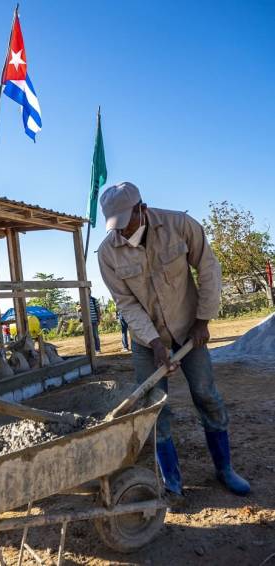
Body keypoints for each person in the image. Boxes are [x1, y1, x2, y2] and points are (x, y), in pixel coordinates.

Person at [98, 181, 250, 497]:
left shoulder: (179, 225)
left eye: (127, 223)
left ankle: (225, 469)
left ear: (142, 208)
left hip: (188, 329)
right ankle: (173, 482)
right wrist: (154, 343)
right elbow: (126, 304)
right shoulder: (107, 253)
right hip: (145, 340)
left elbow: (208, 269)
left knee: (206, 394)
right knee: (155, 408)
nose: (122, 233)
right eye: (116, 227)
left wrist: (202, 321)